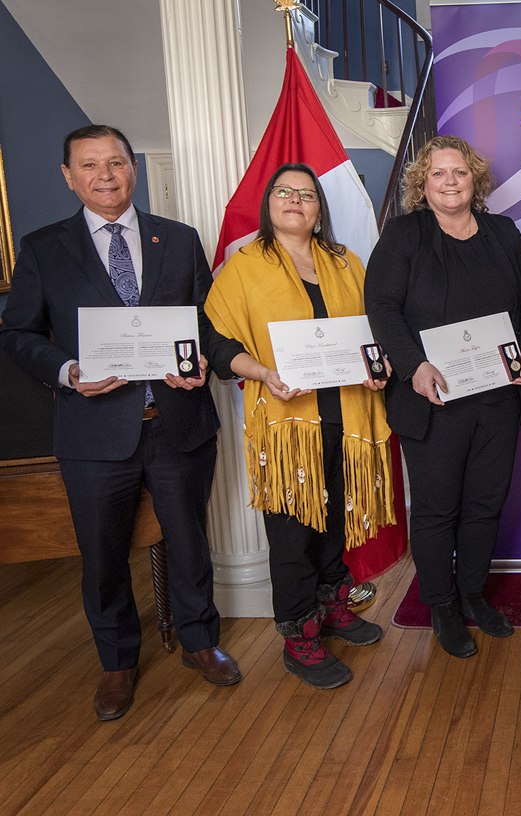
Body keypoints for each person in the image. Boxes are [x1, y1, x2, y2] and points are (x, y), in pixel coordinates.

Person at [0, 125, 241, 720]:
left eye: (115, 162)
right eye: (89, 165)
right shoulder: (42, 248)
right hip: (92, 430)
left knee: (189, 541)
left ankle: (199, 641)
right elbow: (19, 333)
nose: (104, 174)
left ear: (133, 167)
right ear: (68, 175)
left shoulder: (179, 240)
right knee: (102, 554)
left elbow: (203, 323)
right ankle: (117, 662)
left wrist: (205, 359)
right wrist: (68, 370)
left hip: (178, 421)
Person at [206, 163, 393, 689]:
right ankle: (299, 637)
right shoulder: (244, 267)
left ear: (319, 207)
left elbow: (374, 334)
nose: (295, 200)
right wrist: (264, 372)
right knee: (292, 537)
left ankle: (333, 609)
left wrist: (378, 369)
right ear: (269, 204)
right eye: (284, 192)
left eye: (307, 194)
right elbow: (218, 344)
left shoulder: (345, 261)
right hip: (289, 427)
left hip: (349, 414)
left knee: (334, 523)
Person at [365, 136, 521, 658]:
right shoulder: (403, 235)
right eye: (439, 174)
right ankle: (441, 604)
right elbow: (380, 304)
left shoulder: (502, 232)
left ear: (475, 180)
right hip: (433, 401)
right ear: (424, 183)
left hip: (496, 399)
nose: (450, 182)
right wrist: (411, 365)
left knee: (485, 505)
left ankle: (473, 595)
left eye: (459, 173)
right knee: (437, 510)